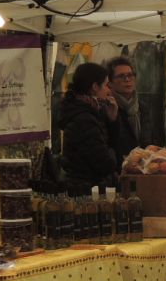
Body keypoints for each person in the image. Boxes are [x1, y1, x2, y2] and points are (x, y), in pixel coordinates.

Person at [59, 62, 118, 196]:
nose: (109, 90)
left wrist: (112, 119)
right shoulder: (84, 118)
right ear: (95, 87)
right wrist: (114, 155)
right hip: (85, 192)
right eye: (106, 85)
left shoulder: (91, 111)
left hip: (86, 188)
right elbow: (104, 163)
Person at [106, 56, 151, 166]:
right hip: (118, 170)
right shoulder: (107, 107)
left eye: (130, 75)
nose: (127, 79)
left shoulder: (143, 107)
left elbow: (150, 140)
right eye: (121, 76)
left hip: (143, 169)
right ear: (110, 83)